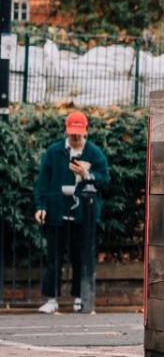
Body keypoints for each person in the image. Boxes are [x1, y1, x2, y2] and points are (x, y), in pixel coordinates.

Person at [33, 111, 109, 314]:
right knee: (54, 257)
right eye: (72, 133)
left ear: (86, 132)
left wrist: (87, 174)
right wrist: (41, 206)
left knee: (80, 257)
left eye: (79, 133)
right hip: (57, 211)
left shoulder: (94, 153)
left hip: (84, 214)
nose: (75, 137)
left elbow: (105, 181)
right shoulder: (54, 152)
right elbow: (43, 182)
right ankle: (52, 299)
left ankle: (79, 297)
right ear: (66, 131)